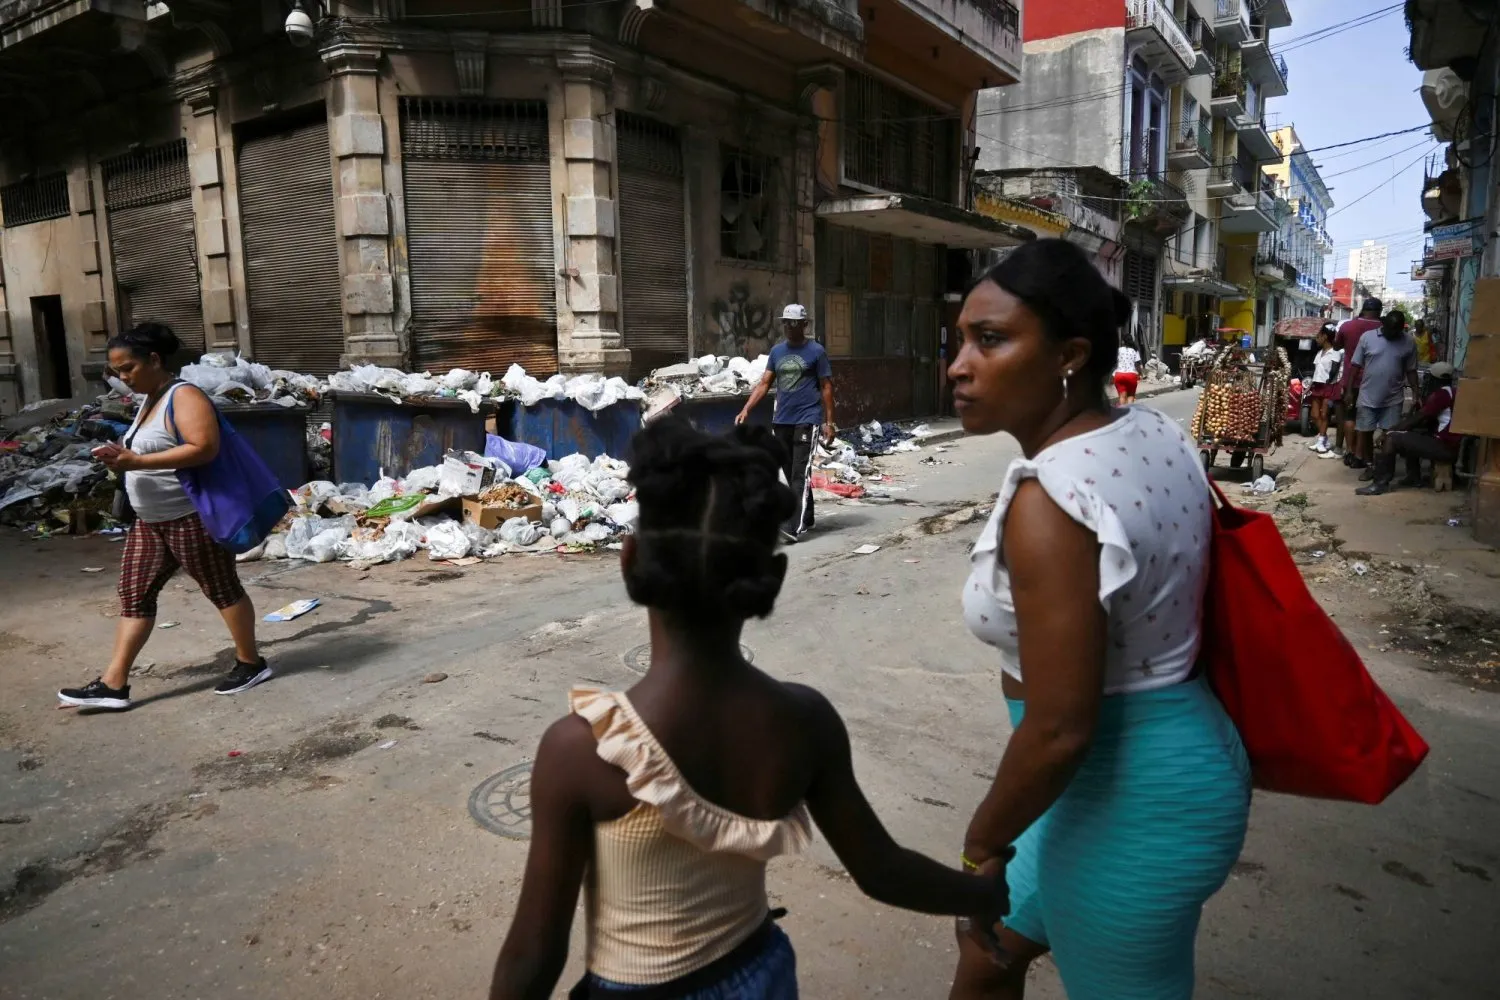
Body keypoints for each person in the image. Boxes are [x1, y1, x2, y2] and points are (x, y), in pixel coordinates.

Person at [487, 415, 1010, 1000]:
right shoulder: (804, 723)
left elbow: (534, 954)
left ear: (630, 560)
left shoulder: (581, 751)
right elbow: (882, 869)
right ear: (771, 577)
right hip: (760, 976)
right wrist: (984, 896)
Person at [945, 239, 1250, 1000]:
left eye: (989, 340)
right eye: (959, 341)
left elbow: (1059, 727)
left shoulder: (1052, 500)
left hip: (1133, 796)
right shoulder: (1151, 432)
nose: (958, 366)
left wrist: (983, 840)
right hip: (1128, 773)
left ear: (1069, 357)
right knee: (988, 955)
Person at [57, 323, 270, 711]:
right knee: (134, 594)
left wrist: (137, 460)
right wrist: (120, 456)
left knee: (222, 589)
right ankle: (113, 683)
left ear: (155, 360)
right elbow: (151, 445)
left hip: (188, 517)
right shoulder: (149, 397)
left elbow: (203, 448)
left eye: (128, 368)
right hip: (150, 520)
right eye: (117, 371)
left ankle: (251, 662)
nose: (122, 378)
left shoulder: (184, 396)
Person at [736, 303, 835, 544]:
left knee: (800, 472)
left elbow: (826, 387)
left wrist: (829, 422)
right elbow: (764, 384)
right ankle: (807, 515)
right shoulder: (777, 352)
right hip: (782, 419)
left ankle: (793, 526)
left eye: (794, 323)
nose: (790, 327)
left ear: (804, 324)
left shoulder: (816, 351)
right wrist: (746, 408)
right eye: (786, 323)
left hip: (807, 418)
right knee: (789, 472)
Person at [1357, 362, 1461, 496]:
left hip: (1444, 447)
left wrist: (1389, 431)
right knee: (1411, 434)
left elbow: (1416, 419)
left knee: (1392, 439)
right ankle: (1413, 477)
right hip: (1450, 445)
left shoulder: (1441, 394)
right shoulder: (1453, 392)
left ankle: (1379, 483)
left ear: (1436, 379)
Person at [1348, 311, 1420, 484]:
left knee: (1391, 435)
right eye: (1389, 328)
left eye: (1396, 330)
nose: (1392, 333)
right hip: (1368, 395)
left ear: (1401, 328)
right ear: (1384, 324)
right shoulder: (1367, 338)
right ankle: (1370, 466)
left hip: (1393, 398)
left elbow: (1411, 370)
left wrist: (1416, 392)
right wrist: (1349, 390)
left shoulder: (1408, 342)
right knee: (1365, 433)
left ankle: (1386, 470)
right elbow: (1355, 365)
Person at [1335, 297, 1384, 466]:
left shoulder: (1347, 326)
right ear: (1380, 311)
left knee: (1350, 416)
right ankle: (1360, 453)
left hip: (1351, 379)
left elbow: (1336, 346)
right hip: (1375, 381)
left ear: (1363, 309)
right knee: (1368, 419)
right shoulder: (1384, 328)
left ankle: (1349, 450)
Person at [1307, 324, 1344, 456]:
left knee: (1324, 415)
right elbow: (1316, 371)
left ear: (1325, 337)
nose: (1316, 339)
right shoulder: (1319, 353)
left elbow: (1334, 370)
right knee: (1314, 415)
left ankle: (1321, 441)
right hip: (1317, 385)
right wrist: (1310, 384)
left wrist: (1330, 383)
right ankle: (1324, 439)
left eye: (1318, 336)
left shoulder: (1335, 353)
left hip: (1328, 386)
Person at [1112, 333, 1143, 405]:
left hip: (1119, 375)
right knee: (1130, 396)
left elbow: (1114, 363)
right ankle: (1129, 413)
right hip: (1131, 376)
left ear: (1123, 341)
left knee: (1122, 396)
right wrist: (1140, 373)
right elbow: (1137, 364)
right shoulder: (1135, 350)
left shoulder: (1118, 350)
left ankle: (1122, 413)